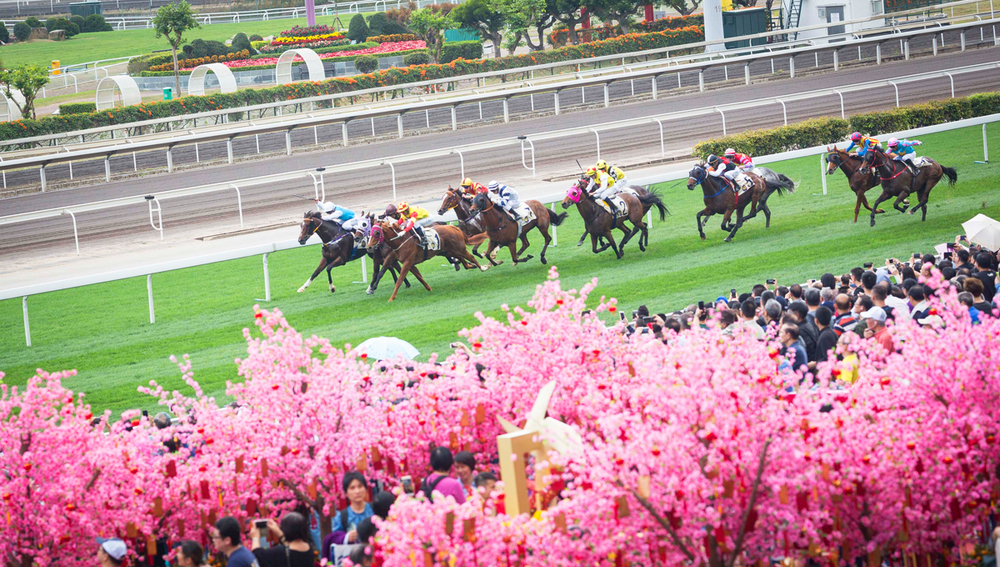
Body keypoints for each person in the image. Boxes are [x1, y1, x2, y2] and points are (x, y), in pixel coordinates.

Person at [326, 472, 374, 553]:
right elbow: (334, 540)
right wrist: (346, 537)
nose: (357, 491)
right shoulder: (341, 517)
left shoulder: (374, 510)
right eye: (352, 488)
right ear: (346, 493)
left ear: (365, 489)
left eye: (360, 486)